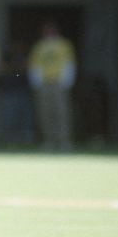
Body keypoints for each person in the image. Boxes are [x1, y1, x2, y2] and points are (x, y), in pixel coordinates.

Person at [27, 20, 77, 151]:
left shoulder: (64, 45)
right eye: (46, 30)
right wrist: (36, 82)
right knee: (45, 113)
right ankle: (49, 140)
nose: (48, 32)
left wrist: (67, 81)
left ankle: (64, 141)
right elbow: (34, 65)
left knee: (61, 112)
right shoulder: (39, 46)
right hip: (44, 82)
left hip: (59, 82)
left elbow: (69, 63)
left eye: (51, 30)